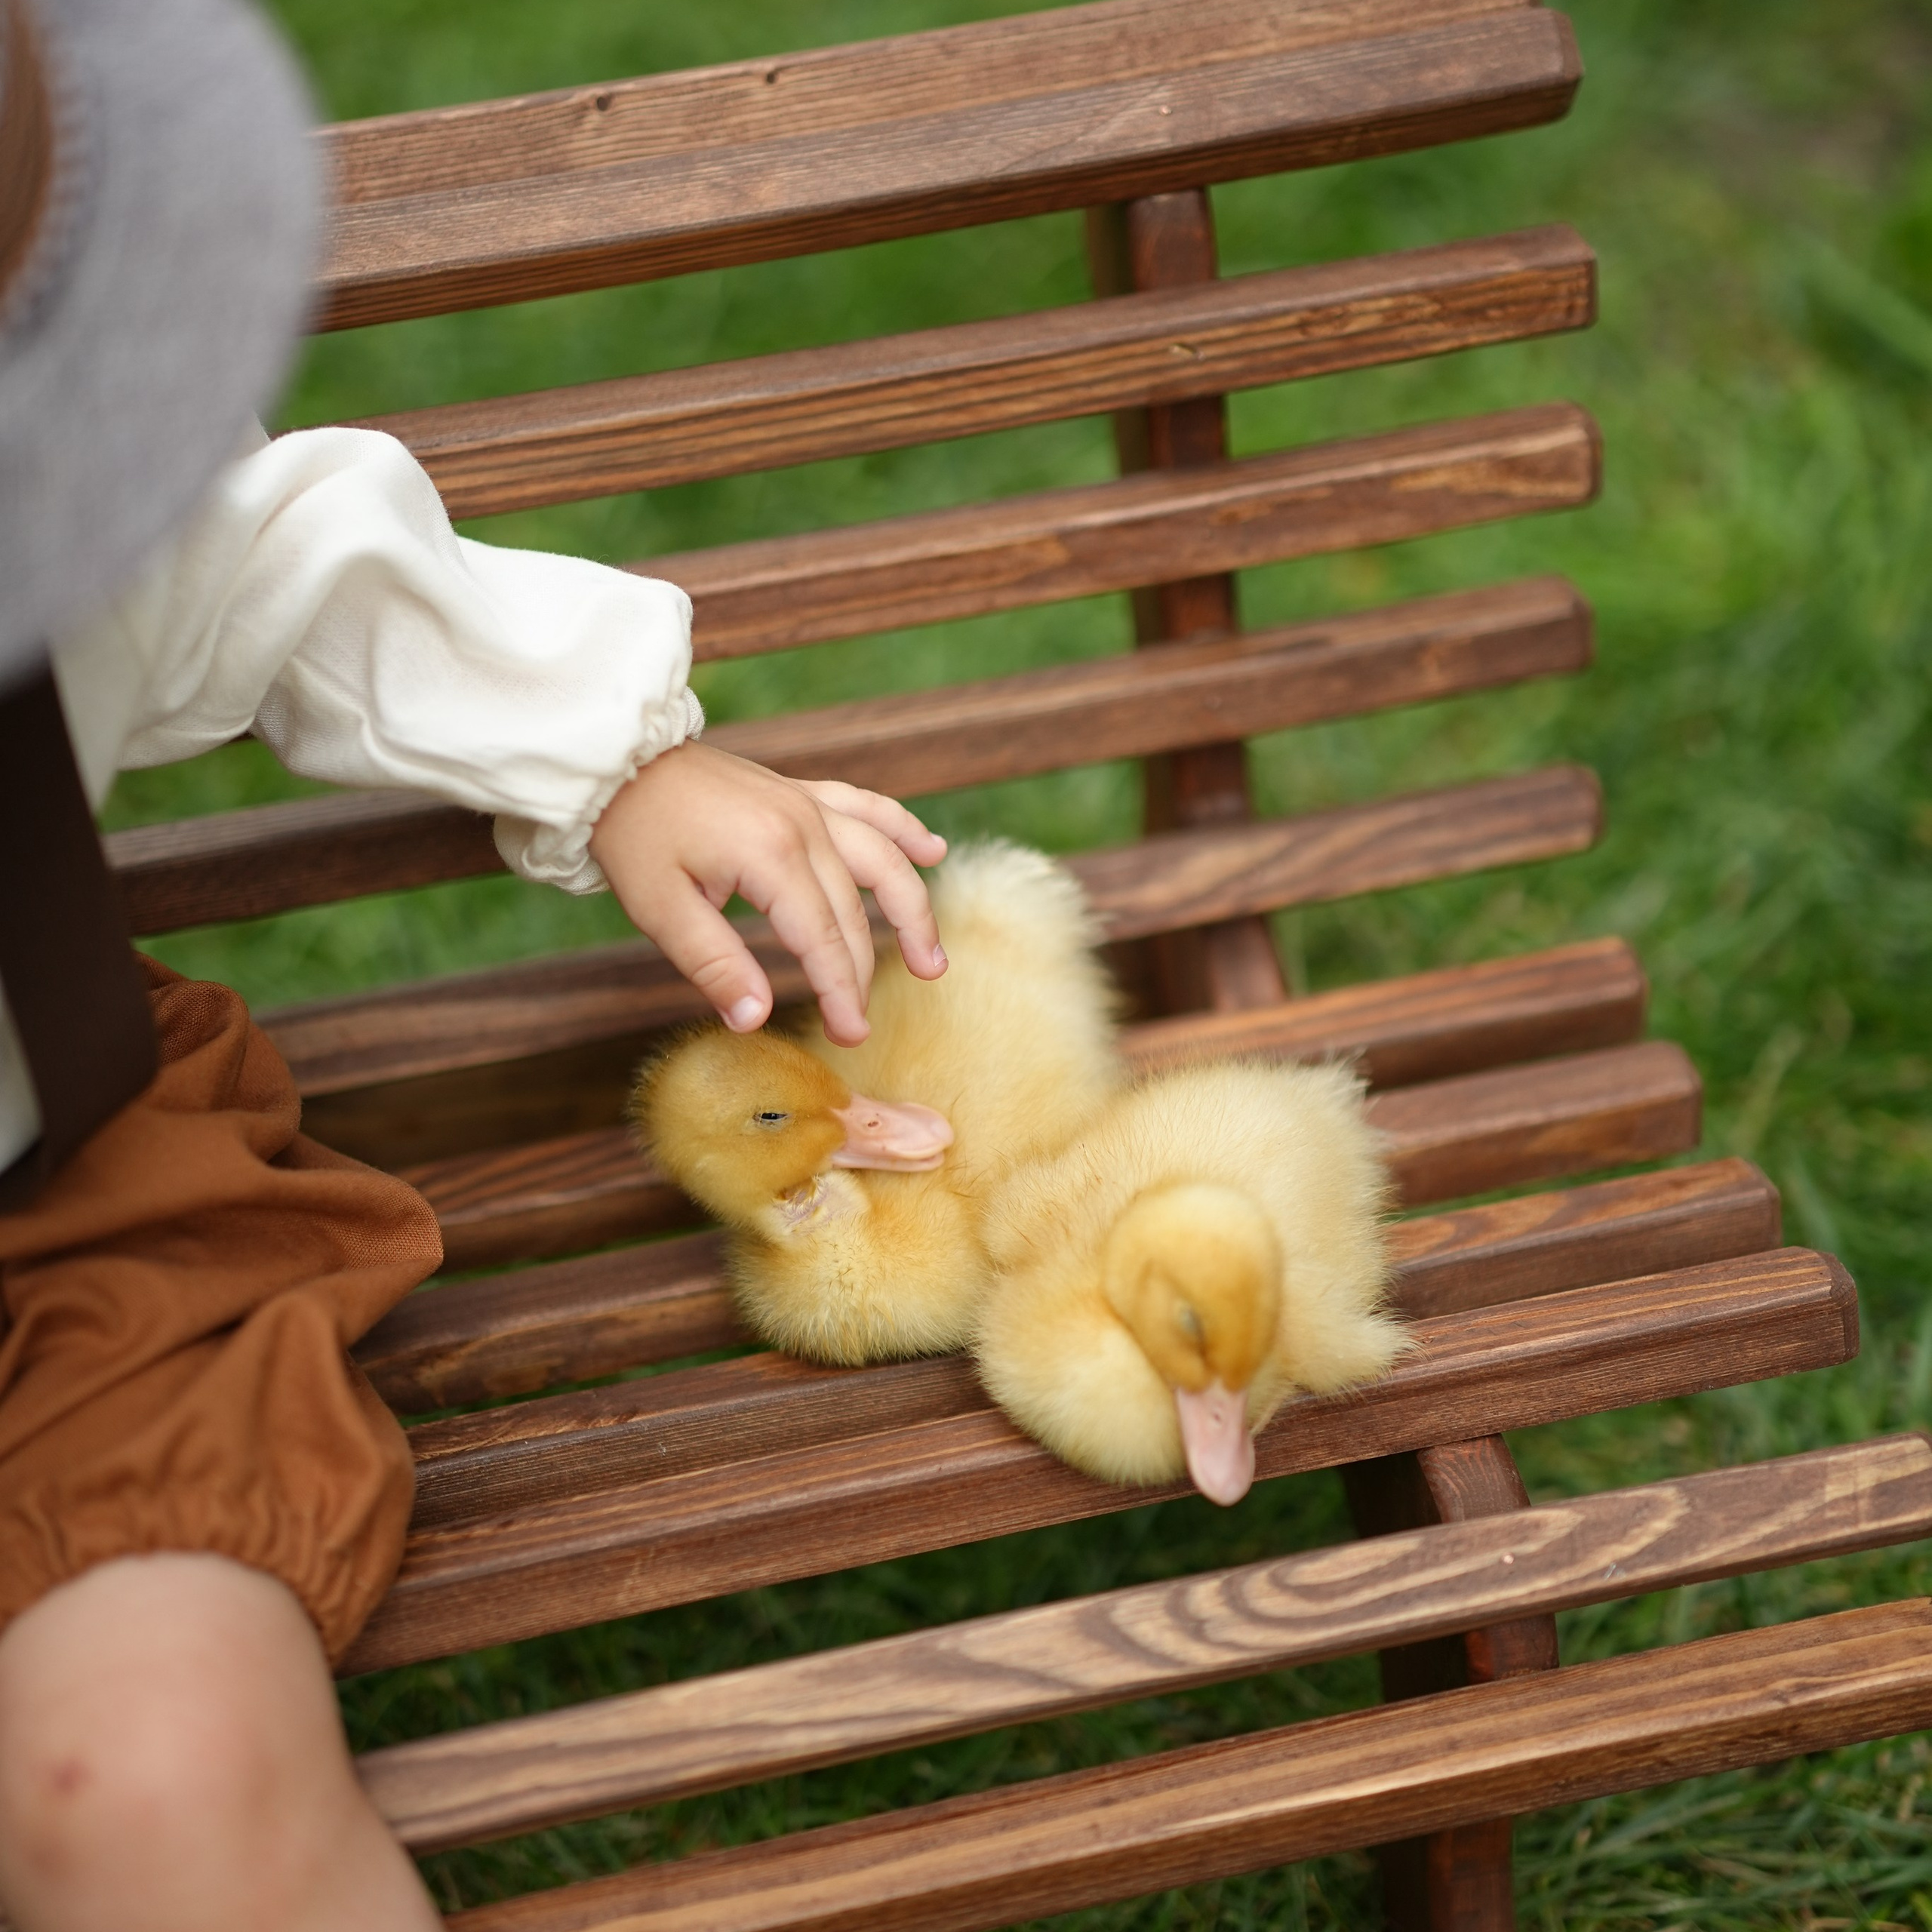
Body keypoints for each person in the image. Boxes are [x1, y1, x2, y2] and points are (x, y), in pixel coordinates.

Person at [0, 1, 946, 1925]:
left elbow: (256, 555)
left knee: (161, 1779)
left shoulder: (55, 460)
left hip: (52, 1243)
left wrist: (618, 752)